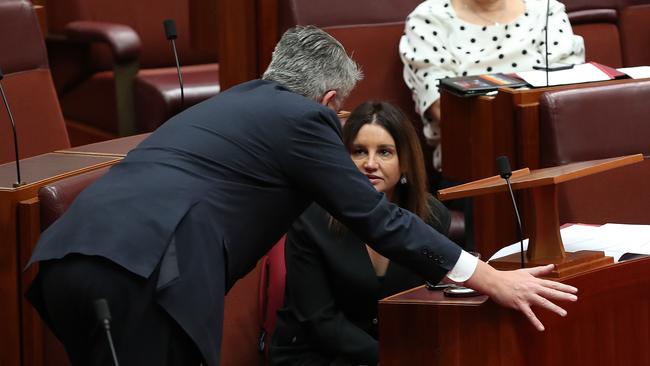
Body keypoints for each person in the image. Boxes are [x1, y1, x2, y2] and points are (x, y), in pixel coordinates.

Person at [26, 25, 576, 366]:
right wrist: (486, 275)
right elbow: (376, 219)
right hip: (142, 277)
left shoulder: (234, 104)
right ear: (330, 98)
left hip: (64, 259)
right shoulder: (303, 118)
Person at [270, 101, 452, 366]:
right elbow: (319, 320)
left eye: (385, 152)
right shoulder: (310, 217)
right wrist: (388, 359)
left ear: (404, 163)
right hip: (318, 353)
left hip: (397, 351)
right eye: (358, 152)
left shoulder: (433, 218)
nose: (370, 163)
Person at [399, 0, 585, 171]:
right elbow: (444, 108)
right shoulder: (429, 18)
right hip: (475, 166)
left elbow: (567, 95)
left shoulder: (545, 9)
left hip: (553, 156)